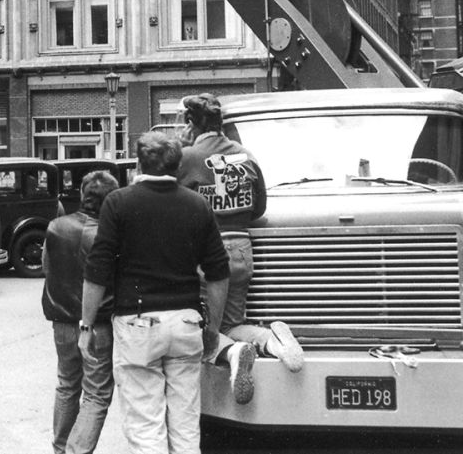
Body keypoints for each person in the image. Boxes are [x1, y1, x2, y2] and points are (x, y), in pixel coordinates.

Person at [81, 131, 230, 454]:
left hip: (137, 323)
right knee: (186, 426)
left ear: (138, 163)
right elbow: (219, 272)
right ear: (177, 167)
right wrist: (213, 329)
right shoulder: (197, 205)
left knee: (146, 427)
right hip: (186, 324)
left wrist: (86, 324)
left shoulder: (118, 203)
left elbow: (98, 270)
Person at [176, 93, 304, 403]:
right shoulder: (247, 155)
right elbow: (259, 208)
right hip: (243, 250)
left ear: (191, 123)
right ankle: (272, 342)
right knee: (234, 323)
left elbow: (175, 204)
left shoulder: (190, 157)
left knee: (203, 330)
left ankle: (233, 354)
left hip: (208, 255)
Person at [42, 170, 119, 454]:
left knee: (66, 385)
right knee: (97, 394)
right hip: (97, 324)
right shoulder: (109, 235)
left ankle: (61, 448)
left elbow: (47, 268)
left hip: (61, 320)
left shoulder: (55, 226)